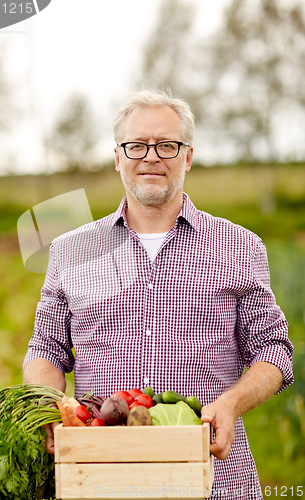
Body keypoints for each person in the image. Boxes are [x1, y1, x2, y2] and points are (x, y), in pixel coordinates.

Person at [23, 89, 293, 499]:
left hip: (212, 474)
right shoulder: (69, 250)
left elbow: (273, 350)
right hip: (101, 476)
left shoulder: (240, 246)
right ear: (118, 157)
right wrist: (52, 407)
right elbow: (46, 348)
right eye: (136, 145)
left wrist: (232, 403)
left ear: (187, 156)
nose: (151, 156)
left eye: (167, 145)